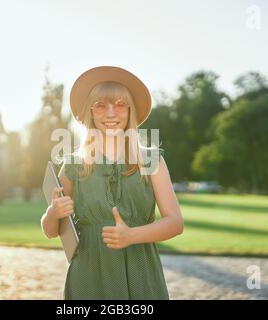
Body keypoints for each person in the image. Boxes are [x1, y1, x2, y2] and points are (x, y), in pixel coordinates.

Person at [41, 66, 184, 300]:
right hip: (89, 275)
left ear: (130, 111)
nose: (110, 113)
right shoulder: (74, 165)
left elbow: (175, 223)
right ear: (90, 112)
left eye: (119, 104)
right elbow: (50, 231)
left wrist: (131, 236)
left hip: (139, 272)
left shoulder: (151, 160)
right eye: (100, 105)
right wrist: (53, 212)